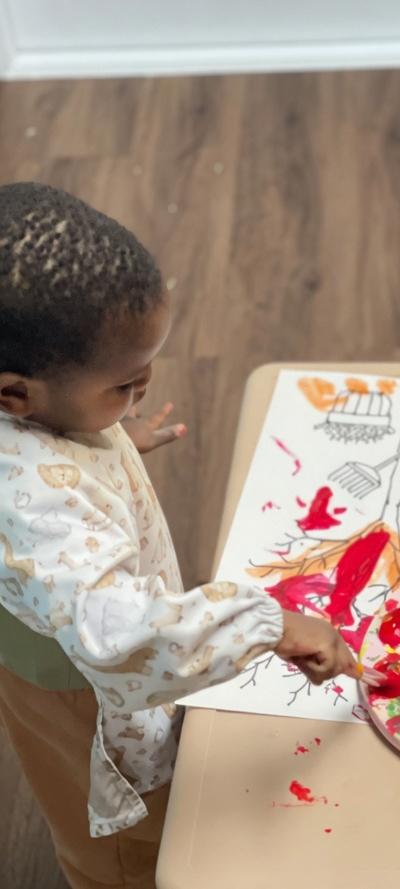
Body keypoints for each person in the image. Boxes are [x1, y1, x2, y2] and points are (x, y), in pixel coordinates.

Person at [0, 182, 378, 889]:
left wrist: (101, 439)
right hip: (85, 694)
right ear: (16, 395)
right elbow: (126, 640)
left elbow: (38, 475)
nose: (136, 397)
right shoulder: (41, 512)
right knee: (132, 846)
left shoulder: (39, 415)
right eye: (123, 389)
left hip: (66, 633)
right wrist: (272, 624)